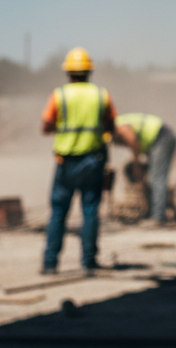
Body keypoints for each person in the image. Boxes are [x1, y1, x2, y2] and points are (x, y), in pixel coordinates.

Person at [40, 47, 139, 274]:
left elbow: (45, 126)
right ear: (89, 72)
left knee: (58, 212)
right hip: (93, 161)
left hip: (66, 162)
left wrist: (64, 128)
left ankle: (50, 263)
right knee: (91, 211)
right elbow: (111, 126)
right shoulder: (101, 95)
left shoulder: (59, 95)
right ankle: (88, 261)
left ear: (68, 73)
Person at [112, 113, 176, 223]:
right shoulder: (115, 125)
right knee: (154, 178)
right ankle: (154, 210)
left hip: (161, 137)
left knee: (157, 178)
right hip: (156, 141)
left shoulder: (117, 127)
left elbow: (132, 139)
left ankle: (158, 216)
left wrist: (136, 165)